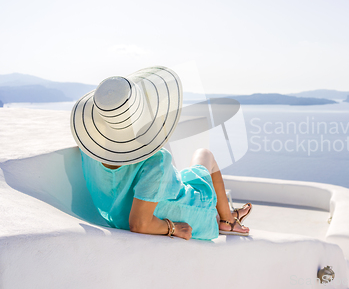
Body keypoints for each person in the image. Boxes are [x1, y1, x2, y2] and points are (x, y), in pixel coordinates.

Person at [70, 66, 252, 240]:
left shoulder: (90, 152)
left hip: (122, 215)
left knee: (187, 174)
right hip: (190, 212)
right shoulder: (155, 160)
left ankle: (228, 215)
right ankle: (227, 220)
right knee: (204, 154)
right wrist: (173, 227)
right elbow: (139, 224)